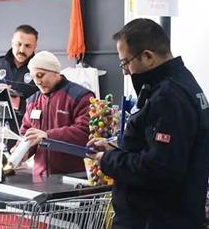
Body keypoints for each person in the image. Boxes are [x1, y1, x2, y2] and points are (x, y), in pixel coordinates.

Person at [87, 18, 209, 229]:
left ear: (148, 57)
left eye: (125, 63)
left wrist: (109, 159)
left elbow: (159, 168)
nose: (124, 71)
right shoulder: (183, 83)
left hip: (155, 219)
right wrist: (116, 149)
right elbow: (160, 149)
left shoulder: (168, 97)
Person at [17, 51, 94, 177]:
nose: (37, 81)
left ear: (55, 72)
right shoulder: (33, 101)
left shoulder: (81, 96)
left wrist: (48, 136)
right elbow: (26, 133)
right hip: (40, 177)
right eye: (34, 77)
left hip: (73, 177)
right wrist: (21, 152)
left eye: (40, 75)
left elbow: (85, 132)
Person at [0, 24, 39, 124]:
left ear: (35, 46)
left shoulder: (40, 70)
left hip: (26, 131)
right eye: (18, 44)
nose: (22, 50)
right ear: (12, 42)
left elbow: (45, 107)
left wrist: (20, 104)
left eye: (27, 46)